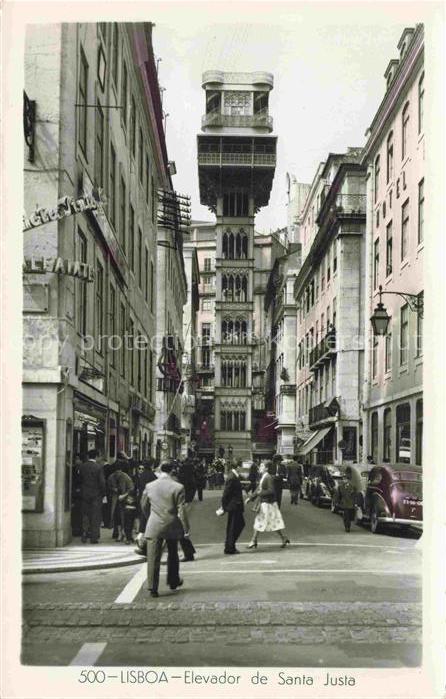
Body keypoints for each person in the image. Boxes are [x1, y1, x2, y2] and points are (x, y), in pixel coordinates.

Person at [141, 461, 190, 598]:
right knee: (173, 553)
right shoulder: (178, 487)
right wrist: (186, 528)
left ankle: (152, 587)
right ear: (172, 471)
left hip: (154, 524)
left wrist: (150, 517)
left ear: (160, 470)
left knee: (153, 556)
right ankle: (173, 581)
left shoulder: (150, 486)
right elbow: (182, 510)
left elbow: (143, 505)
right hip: (172, 524)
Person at [245, 461, 290, 549]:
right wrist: (250, 498)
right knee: (272, 522)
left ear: (266, 468)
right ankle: (283, 538)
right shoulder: (264, 477)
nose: (259, 467)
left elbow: (271, 491)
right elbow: (258, 489)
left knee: (260, 521)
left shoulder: (268, 477)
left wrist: (260, 493)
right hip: (266, 503)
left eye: (262, 466)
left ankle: (254, 540)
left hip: (268, 503)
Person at [77, 449, 106, 544]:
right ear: (96, 456)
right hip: (96, 495)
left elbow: (79, 480)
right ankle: (94, 537)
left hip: (84, 494)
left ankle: (84, 533)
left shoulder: (82, 466)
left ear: (88, 457)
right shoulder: (99, 467)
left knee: (85, 515)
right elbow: (102, 482)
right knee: (95, 516)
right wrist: (103, 494)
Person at [221, 460, 245, 554]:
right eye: (241, 466)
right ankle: (230, 547)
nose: (242, 469)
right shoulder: (232, 477)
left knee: (234, 526)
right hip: (234, 505)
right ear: (238, 467)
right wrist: (223, 506)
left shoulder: (233, 476)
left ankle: (229, 545)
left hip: (235, 505)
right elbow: (226, 493)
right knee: (235, 526)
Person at [108, 461, 134, 542]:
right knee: (117, 517)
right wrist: (113, 489)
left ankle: (124, 533)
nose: (117, 473)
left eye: (118, 471)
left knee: (125, 518)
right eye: (116, 472)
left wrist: (124, 495)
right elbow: (108, 487)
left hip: (125, 500)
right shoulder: (111, 477)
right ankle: (119, 533)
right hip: (115, 500)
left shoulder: (126, 477)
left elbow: (131, 488)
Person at [338, 467, 357, 532]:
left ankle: (348, 525)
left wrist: (355, 503)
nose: (344, 480)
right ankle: (347, 527)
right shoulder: (340, 487)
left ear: (348, 480)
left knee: (350, 516)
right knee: (346, 516)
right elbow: (339, 495)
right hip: (345, 503)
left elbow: (354, 495)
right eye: (343, 479)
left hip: (351, 504)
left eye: (345, 479)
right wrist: (338, 502)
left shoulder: (352, 487)